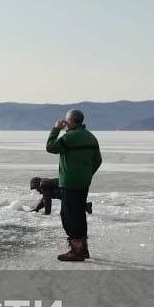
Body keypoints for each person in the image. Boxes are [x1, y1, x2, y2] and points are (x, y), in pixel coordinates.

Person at [46, 109, 102, 261]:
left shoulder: (69, 137)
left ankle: (77, 251)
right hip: (83, 183)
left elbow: (50, 147)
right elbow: (98, 160)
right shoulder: (91, 137)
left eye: (66, 120)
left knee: (69, 215)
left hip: (69, 183)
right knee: (79, 214)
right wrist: (86, 174)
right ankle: (83, 249)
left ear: (69, 121)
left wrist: (56, 129)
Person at [29, 176, 93, 216]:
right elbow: (44, 199)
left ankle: (85, 206)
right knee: (70, 202)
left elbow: (47, 201)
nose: (37, 190)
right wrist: (37, 208)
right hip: (69, 187)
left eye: (35, 188)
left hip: (66, 188)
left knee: (67, 205)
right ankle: (86, 206)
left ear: (38, 184)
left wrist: (47, 214)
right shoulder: (45, 184)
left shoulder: (43, 184)